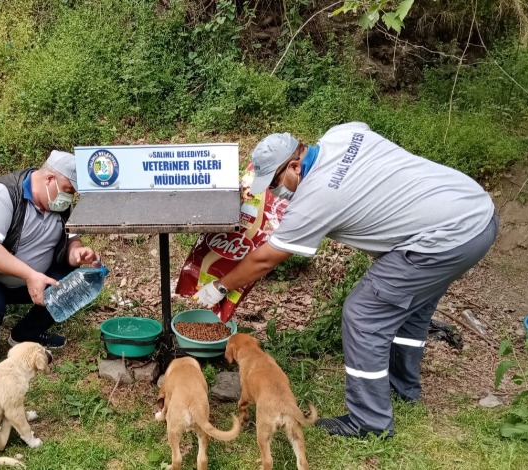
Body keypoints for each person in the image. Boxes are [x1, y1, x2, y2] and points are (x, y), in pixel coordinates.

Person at [194, 122, 498, 438]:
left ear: (295, 166)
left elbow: (265, 259)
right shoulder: (342, 135)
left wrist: (220, 286)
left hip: (447, 237)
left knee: (363, 314)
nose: (273, 192)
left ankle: (369, 422)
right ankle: (402, 389)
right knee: (412, 306)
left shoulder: (317, 196)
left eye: (273, 183)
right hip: (476, 211)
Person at [0, 150, 99, 368]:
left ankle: (26, 334)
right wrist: (29, 275)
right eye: (68, 190)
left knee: (79, 282)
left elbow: (72, 241)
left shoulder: (60, 204)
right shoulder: (0, 194)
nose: (69, 198)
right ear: (49, 179)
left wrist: (77, 254)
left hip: (33, 279)